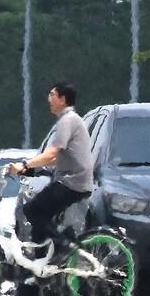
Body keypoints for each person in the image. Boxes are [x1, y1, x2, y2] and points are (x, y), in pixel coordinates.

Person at [8, 82, 95, 263]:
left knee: (32, 210)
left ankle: (64, 245)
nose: (49, 99)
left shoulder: (67, 120)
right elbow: (56, 159)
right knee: (39, 231)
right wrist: (31, 169)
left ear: (63, 99)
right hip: (74, 181)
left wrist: (24, 164)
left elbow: (52, 153)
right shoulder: (69, 120)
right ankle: (42, 268)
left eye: (52, 95)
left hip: (72, 182)